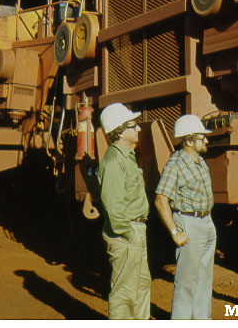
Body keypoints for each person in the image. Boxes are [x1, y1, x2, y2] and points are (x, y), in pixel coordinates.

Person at [155, 114, 216, 319]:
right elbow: (161, 199)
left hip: (206, 223)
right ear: (188, 141)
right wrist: (174, 231)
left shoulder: (199, 162)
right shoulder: (176, 164)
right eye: (201, 137)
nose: (206, 140)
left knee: (204, 280)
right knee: (186, 283)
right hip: (189, 224)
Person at [98, 103, 150, 319]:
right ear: (120, 130)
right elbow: (113, 206)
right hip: (127, 233)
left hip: (136, 230)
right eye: (133, 125)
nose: (138, 129)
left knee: (141, 285)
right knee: (124, 293)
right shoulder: (114, 161)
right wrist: (128, 234)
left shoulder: (126, 156)